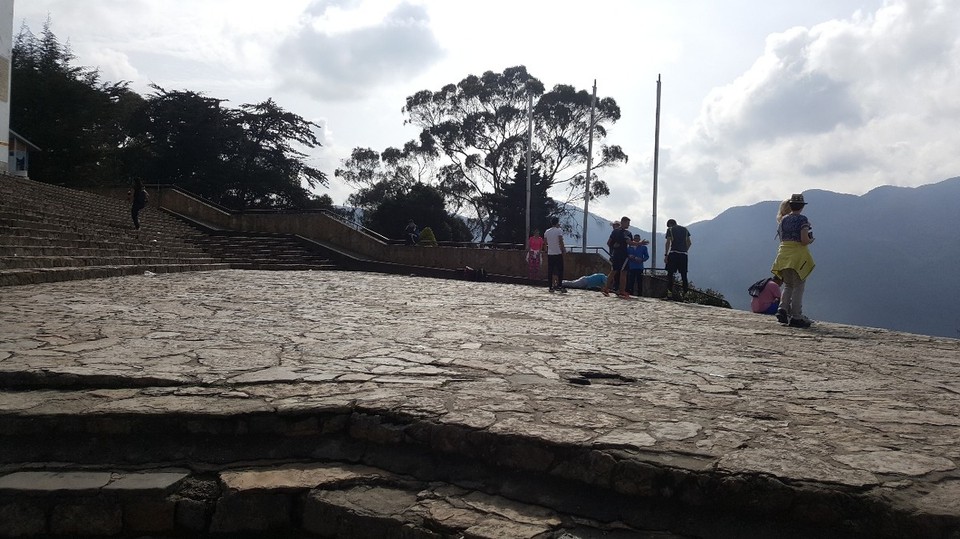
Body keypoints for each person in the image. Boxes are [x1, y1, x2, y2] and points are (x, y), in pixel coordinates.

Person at [771, 194, 816, 328]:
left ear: (790, 205)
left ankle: (782, 309)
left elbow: (782, 238)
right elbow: (804, 240)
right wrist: (810, 239)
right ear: (802, 207)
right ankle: (796, 316)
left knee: (788, 285)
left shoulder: (783, 220)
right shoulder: (803, 220)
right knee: (798, 286)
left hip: (783, 255)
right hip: (797, 257)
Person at [602, 216, 646, 299]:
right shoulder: (627, 233)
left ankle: (606, 288)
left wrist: (614, 247)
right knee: (624, 272)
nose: (628, 225)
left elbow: (609, 243)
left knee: (613, 271)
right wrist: (640, 243)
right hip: (623, 255)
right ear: (623, 222)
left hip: (615, 254)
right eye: (627, 223)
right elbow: (630, 243)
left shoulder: (614, 231)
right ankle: (622, 290)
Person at [664, 218, 692, 300]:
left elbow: (668, 242)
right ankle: (686, 296)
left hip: (674, 253)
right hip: (683, 255)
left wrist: (666, 255)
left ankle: (669, 294)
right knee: (684, 275)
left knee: (670, 274)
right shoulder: (685, 229)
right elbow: (689, 242)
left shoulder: (670, 229)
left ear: (669, 224)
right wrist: (684, 250)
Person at [543, 217, 567, 293]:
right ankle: (559, 285)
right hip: (557, 252)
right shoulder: (559, 230)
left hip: (550, 253)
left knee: (550, 270)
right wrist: (563, 250)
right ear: (557, 222)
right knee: (560, 270)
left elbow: (545, 242)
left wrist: (546, 250)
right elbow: (560, 240)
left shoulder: (547, 231)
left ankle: (550, 286)